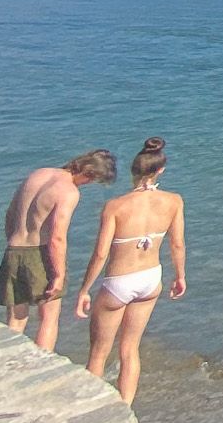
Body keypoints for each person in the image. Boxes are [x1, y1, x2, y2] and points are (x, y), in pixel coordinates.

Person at [74, 138, 186, 405]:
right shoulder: (174, 201)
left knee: (99, 353)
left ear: (133, 171)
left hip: (119, 281)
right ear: (160, 170)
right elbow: (177, 244)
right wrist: (180, 276)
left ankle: (92, 408)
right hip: (151, 278)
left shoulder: (115, 206)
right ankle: (125, 407)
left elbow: (101, 253)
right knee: (130, 349)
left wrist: (84, 290)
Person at [0, 149, 117, 350]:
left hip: (14, 249)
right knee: (48, 319)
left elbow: (10, 214)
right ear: (89, 173)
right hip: (40, 254)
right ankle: (41, 364)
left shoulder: (37, 174)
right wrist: (59, 275)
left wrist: (13, 244)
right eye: (92, 181)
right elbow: (57, 238)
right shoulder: (69, 192)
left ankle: (9, 357)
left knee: (16, 320)